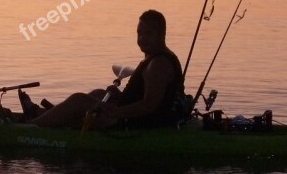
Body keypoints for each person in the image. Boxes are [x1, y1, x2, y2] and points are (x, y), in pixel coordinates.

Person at [22, 10, 184, 130]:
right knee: (99, 93)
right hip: (130, 116)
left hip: (134, 124)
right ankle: (42, 114)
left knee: (79, 100)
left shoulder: (159, 64)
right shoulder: (154, 57)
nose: (141, 39)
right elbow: (143, 97)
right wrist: (119, 96)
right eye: (139, 33)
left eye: (147, 34)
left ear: (161, 34)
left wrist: (116, 111)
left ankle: (30, 128)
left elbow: (149, 106)